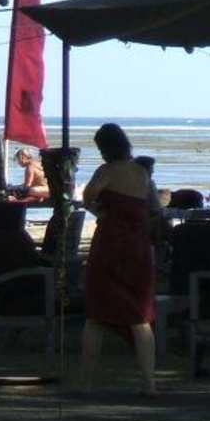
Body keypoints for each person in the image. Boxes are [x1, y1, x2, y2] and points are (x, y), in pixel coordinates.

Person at [78, 123, 158, 395]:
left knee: (96, 315)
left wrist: (100, 212)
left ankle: (86, 382)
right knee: (140, 316)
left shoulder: (106, 171)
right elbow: (154, 207)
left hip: (109, 244)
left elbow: (87, 198)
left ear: (105, 148)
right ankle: (149, 383)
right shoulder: (142, 172)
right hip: (138, 247)